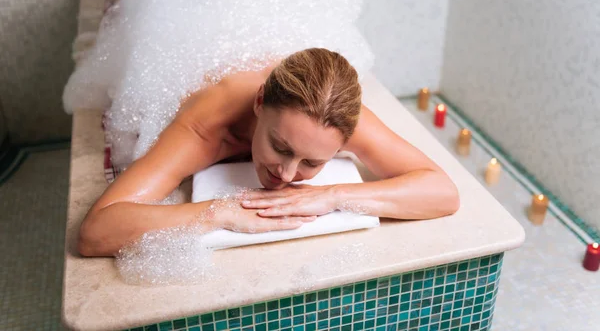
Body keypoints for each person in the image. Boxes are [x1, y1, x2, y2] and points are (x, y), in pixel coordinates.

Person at [78, 48, 459, 257]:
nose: (288, 176)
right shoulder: (206, 128)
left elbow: (442, 192)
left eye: (313, 162)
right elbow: (96, 231)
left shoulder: (337, 118)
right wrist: (216, 213)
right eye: (281, 147)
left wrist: (333, 195)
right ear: (260, 102)